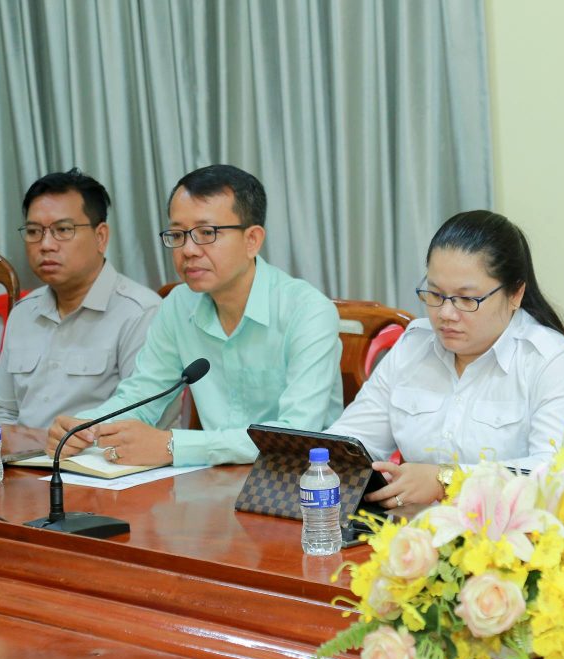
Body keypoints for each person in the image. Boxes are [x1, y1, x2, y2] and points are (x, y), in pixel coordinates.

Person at [46, 164, 343, 466]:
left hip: (303, 481)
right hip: (212, 478)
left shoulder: (308, 311)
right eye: (177, 234)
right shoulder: (178, 304)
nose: (188, 250)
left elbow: (297, 433)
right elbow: (142, 396)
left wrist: (174, 446)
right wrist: (86, 427)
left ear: (252, 240)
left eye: (206, 233)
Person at [328, 210, 564, 510]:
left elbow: (560, 477)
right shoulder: (413, 347)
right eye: (435, 295)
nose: (446, 314)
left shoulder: (554, 363)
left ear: (515, 294)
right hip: (408, 531)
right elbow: (349, 443)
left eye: (467, 299)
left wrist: (447, 480)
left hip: (513, 534)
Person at [0, 169, 161, 429]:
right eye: (34, 231)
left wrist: (63, 445)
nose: (46, 244)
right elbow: (2, 411)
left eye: (63, 230)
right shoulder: (23, 312)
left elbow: (143, 419)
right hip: (22, 453)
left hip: (97, 453)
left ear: (100, 237)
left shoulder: (140, 312)